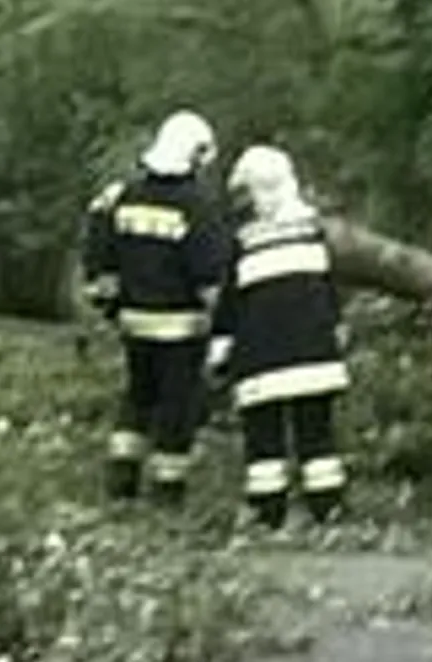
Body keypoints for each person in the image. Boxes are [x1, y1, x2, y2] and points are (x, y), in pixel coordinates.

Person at [85, 109, 227, 507]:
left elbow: (101, 256)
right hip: (182, 326)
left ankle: (121, 479)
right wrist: (225, 322)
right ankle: (167, 490)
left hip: (134, 322)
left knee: (137, 397)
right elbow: (209, 273)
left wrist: (110, 306)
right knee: (176, 407)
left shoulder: (124, 197)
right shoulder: (195, 206)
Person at [206, 145, 351, 530]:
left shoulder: (244, 242)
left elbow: (229, 304)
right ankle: (328, 507)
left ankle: (268, 511)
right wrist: (337, 333)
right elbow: (329, 293)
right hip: (316, 357)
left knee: (264, 440)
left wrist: (219, 352)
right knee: (317, 436)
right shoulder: (313, 232)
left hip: (263, 361)